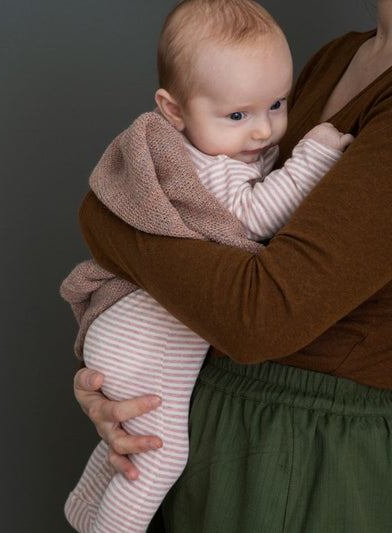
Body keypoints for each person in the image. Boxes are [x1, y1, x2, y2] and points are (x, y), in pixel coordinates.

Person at [71, 0, 392, 530]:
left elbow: (258, 316)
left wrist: (112, 219)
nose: (264, 131)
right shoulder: (341, 55)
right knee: (139, 463)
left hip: (309, 447)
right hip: (220, 405)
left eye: (275, 108)